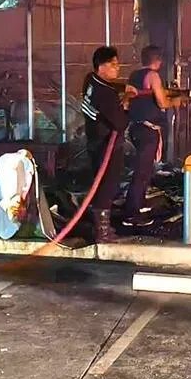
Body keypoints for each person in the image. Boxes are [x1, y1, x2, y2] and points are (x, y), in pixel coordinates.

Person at [123, 45, 185, 228]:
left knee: (145, 169)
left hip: (136, 128)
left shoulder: (134, 75)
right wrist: (175, 101)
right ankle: (131, 213)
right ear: (158, 60)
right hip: (147, 130)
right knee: (142, 171)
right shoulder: (153, 76)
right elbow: (162, 102)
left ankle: (140, 203)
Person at [81, 46, 135, 243]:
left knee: (101, 184)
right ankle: (102, 230)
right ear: (101, 66)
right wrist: (126, 102)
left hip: (94, 142)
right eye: (113, 64)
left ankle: (102, 227)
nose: (117, 68)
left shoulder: (90, 81)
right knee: (108, 186)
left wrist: (123, 88)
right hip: (107, 145)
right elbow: (120, 123)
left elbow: (109, 91)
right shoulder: (105, 94)